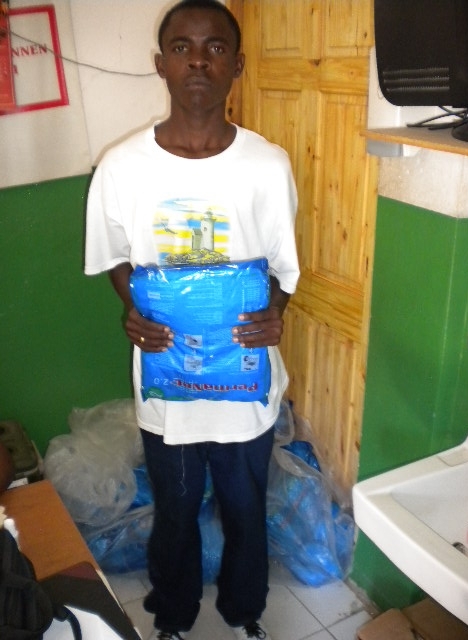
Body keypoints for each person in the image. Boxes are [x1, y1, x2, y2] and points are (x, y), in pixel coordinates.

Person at [84, 1, 299, 638]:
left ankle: (244, 613)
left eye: (214, 48)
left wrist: (276, 313)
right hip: (170, 384)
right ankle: (173, 619)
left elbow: (283, 268)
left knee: (245, 511)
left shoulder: (267, 165)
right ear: (161, 64)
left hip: (243, 382)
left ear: (237, 64)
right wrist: (133, 308)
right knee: (174, 513)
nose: (198, 61)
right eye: (182, 48)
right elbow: (113, 257)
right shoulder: (122, 167)